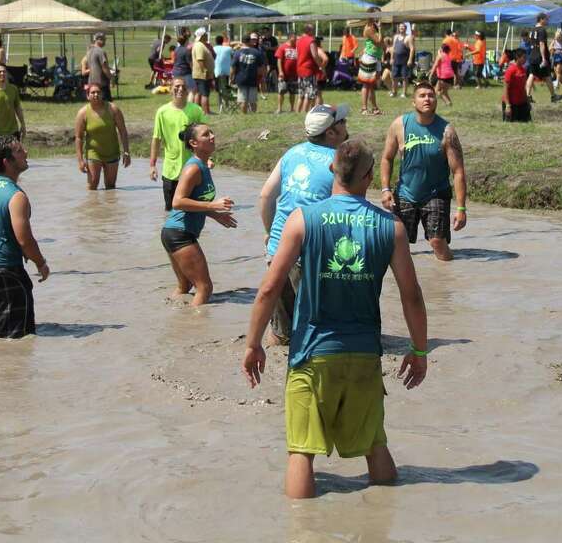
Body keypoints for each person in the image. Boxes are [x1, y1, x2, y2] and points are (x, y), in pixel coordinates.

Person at [241, 138, 428, 499]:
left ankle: (303, 529)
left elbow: (268, 289)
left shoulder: (301, 220)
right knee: (375, 446)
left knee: (302, 452)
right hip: (363, 355)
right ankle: (385, 515)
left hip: (312, 354)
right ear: (370, 177)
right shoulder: (391, 228)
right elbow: (412, 296)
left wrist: (253, 344)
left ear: (331, 170)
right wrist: (419, 351)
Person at [257, 103, 350, 346]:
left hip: (276, 250)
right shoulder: (339, 161)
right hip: (309, 255)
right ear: (330, 133)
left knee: (280, 331)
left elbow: (266, 196)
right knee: (319, 331)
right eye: (342, 122)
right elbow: (345, 212)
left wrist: (270, 233)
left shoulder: (292, 153)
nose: (346, 124)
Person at [0, 135, 50, 339]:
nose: (26, 153)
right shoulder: (16, 196)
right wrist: (41, 263)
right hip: (6, 273)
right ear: (7, 161)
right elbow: (25, 239)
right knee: (17, 341)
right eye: (19, 151)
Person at [380, 82, 468, 261]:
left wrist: (461, 209)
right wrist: (385, 189)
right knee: (397, 243)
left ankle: (446, 279)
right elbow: (386, 158)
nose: (427, 98)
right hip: (405, 193)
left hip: (436, 194)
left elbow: (458, 171)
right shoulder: (399, 125)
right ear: (413, 102)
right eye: (422, 95)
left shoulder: (447, 131)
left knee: (437, 242)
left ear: (436, 100)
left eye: (431, 95)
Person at [161, 123, 236, 306]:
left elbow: (193, 200)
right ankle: (195, 329)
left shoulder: (203, 165)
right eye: (206, 134)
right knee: (205, 287)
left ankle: (173, 320)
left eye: (212, 132)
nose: (212, 136)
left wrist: (215, 214)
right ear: (194, 143)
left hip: (174, 233)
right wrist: (213, 204)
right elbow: (177, 202)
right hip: (180, 234)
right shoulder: (193, 168)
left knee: (185, 286)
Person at [149, 77, 206, 211]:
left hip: (192, 170)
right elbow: (156, 139)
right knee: (170, 213)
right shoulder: (162, 112)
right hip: (170, 172)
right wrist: (152, 165)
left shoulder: (196, 110)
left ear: (188, 91)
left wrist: (207, 159)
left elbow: (204, 137)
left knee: (193, 211)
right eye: (177, 86)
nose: (180, 89)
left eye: (183, 87)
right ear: (170, 90)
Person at [74, 82, 131, 190]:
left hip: (112, 153)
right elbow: (78, 137)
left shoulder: (113, 109)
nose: (96, 95)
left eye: (98, 92)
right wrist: (80, 160)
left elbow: (123, 131)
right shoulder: (83, 113)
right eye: (92, 92)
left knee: (110, 187)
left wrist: (126, 152)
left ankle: (110, 207)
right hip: (93, 153)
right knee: (92, 186)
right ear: (87, 96)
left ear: (102, 94)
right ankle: (92, 206)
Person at [525, 13, 562, 103]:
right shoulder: (542, 30)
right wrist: (544, 58)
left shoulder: (532, 29)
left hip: (532, 55)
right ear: (541, 19)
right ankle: (553, 96)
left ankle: (527, 96)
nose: (547, 21)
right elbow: (541, 44)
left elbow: (530, 42)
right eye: (546, 19)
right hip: (540, 57)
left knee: (531, 75)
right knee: (547, 75)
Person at [233, 34, 266, 114]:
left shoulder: (237, 53)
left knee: (243, 100)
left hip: (241, 79)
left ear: (242, 42)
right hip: (253, 79)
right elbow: (261, 67)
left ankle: (244, 115)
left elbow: (233, 67)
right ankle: (253, 114)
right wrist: (261, 77)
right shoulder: (256, 52)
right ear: (250, 41)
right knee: (253, 100)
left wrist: (231, 78)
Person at [358, 19, 383, 115]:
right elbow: (379, 41)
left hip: (376, 58)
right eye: (378, 16)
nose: (380, 18)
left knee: (371, 85)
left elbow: (380, 44)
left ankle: (374, 108)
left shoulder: (374, 27)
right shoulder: (369, 28)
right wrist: (380, 29)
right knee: (366, 84)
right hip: (370, 58)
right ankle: (364, 108)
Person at [295, 24, 322, 113]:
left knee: (301, 94)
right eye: (313, 30)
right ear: (310, 31)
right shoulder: (311, 41)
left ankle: (297, 112)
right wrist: (320, 65)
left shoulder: (298, 41)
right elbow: (315, 55)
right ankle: (304, 113)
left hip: (300, 69)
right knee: (309, 94)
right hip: (309, 70)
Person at [502, 48, 532, 122]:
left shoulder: (523, 70)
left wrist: (527, 102)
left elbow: (523, 88)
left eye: (526, 57)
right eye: (524, 57)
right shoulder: (510, 70)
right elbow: (505, 89)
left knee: (527, 124)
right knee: (511, 126)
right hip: (512, 103)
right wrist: (508, 105)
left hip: (521, 103)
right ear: (518, 58)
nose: (525, 59)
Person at [190, 28, 214, 114]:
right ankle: (206, 111)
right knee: (205, 94)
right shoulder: (199, 45)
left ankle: (198, 111)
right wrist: (204, 71)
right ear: (202, 36)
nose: (207, 36)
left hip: (199, 74)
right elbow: (200, 60)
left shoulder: (199, 45)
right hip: (202, 74)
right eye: (206, 35)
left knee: (199, 93)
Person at [275, 31, 299, 113]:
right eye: (294, 37)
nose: (296, 39)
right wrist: (280, 71)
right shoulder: (282, 47)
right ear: (290, 37)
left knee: (292, 92)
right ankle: (279, 108)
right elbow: (279, 60)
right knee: (281, 91)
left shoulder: (297, 47)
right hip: (284, 75)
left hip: (294, 74)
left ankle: (292, 108)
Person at [85, 32, 113, 103]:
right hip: (101, 83)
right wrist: (111, 78)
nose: (105, 42)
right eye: (104, 40)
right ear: (98, 40)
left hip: (91, 83)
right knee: (107, 106)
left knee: (95, 106)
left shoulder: (89, 51)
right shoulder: (100, 51)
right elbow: (104, 68)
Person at [389, 24, 414, 98]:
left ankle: (404, 93)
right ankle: (394, 92)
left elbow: (412, 49)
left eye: (403, 27)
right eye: (400, 27)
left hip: (404, 60)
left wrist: (410, 59)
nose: (401, 28)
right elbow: (393, 48)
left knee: (404, 77)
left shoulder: (409, 37)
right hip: (396, 60)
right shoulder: (396, 37)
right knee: (394, 77)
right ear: (398, 28)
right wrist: (391, 58)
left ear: (406, 28)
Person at [213, 34, 234, 111]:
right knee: (226, 88)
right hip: (227, 71)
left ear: (215, 41)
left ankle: (220, 105)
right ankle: (227, 104)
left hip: (216, 71)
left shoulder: (213, 48)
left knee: (219, 89)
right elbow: (233, 56)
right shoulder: (228, 49)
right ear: (222, 41)